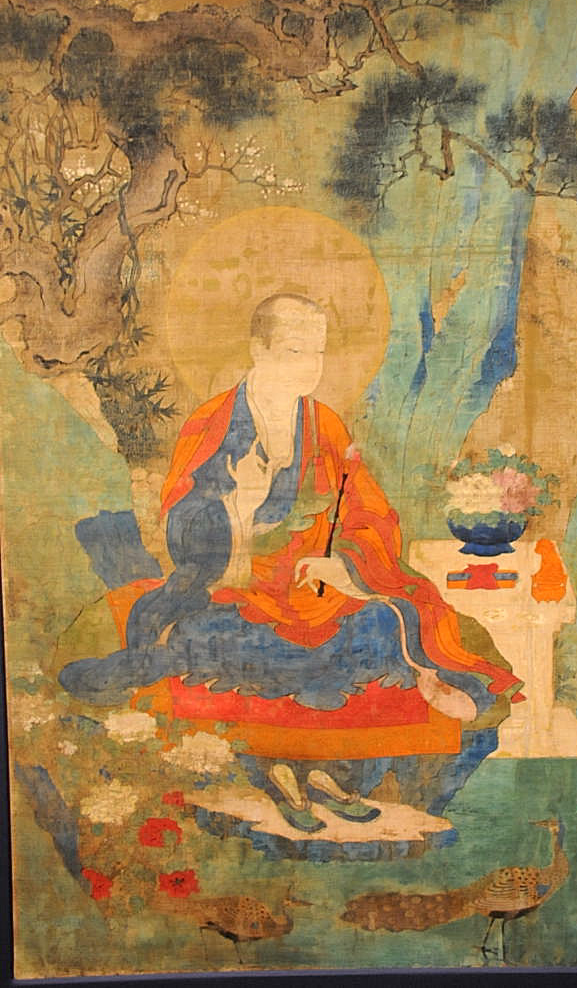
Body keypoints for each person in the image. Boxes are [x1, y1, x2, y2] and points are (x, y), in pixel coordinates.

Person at [61, 293, 524, 831]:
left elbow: (368, 511)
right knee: (221, 636)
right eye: (293, 350)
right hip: (235, 590)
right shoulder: (213, 424)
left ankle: (318, 765)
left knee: (386, 619)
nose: (308, 365)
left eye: (317, 352)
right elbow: (181, 532)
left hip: (316, 593)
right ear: (258, 349)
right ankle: (283, 762)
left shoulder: (324, 424)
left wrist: (343, 565)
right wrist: (240, 511)